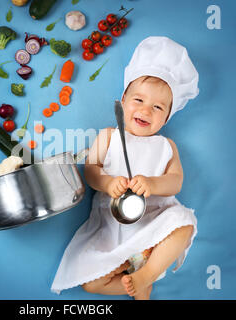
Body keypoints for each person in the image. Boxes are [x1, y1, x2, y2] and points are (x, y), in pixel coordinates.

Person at [51, 37, 199, 300]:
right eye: (139, 100)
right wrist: (108, 183)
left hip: (154, 221)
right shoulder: (109, 136)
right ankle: (134, 277)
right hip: (111, 227)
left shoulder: (166, 146)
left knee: (184, 223)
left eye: (157, 107)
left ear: (167, 117)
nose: (146, 111)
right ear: (123, 100)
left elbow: (176, 181)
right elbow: (90, 169)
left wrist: (153, 185)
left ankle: (148, 272)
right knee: (90, 284)